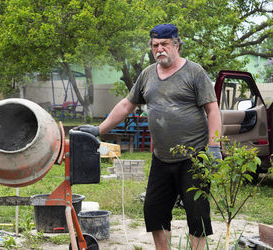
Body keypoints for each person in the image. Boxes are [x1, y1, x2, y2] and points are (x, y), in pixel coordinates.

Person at [75, 23, 222, 250]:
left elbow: (213, 111)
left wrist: (214, 148)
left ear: (176, 45)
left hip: (194, 157)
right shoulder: (147, 75)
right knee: (153, 211)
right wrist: (99, 129)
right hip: (161, 159)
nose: (159, 49)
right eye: (155, 45)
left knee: (197, 214)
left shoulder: (195, 72)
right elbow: (126, 105)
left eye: (164, 44)